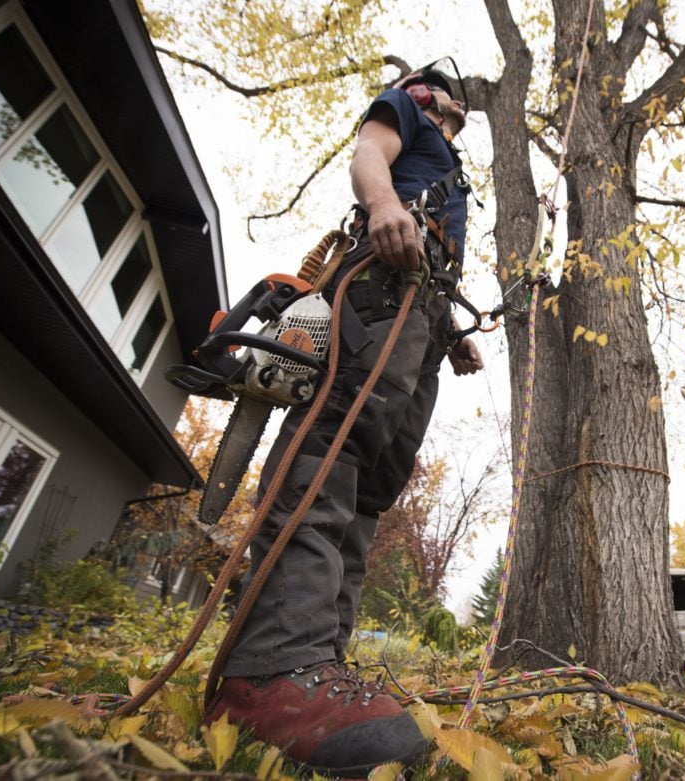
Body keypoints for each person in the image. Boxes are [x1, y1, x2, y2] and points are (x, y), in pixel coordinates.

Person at [203, 67, 483, 777]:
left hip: (423, 308)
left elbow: (437, 259)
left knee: (375, 484)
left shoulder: (453, 172)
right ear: (428, 93)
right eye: (447, 95)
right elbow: (367, 156)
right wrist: (385, 199)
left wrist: (450, 334)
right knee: (333, 453)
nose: (454, 108)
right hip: (380, 288)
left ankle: (320, 662)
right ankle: (268, 668)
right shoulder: (407, 115)